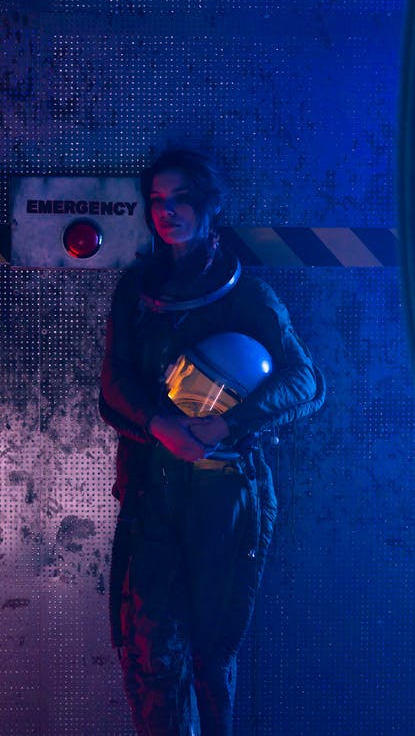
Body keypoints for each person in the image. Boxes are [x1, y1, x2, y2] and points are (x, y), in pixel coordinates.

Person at [99, 148, 325, 736]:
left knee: (210, 655)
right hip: (152, 490)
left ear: (209, 206)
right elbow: (114, 384)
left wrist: (226, 425)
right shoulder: (136, 292)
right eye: (157, 201)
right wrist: (160, 426)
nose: (167, 212)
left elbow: (305, 382)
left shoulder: (247, 297)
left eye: (181, 199)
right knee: (150, 655)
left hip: (227, 500)